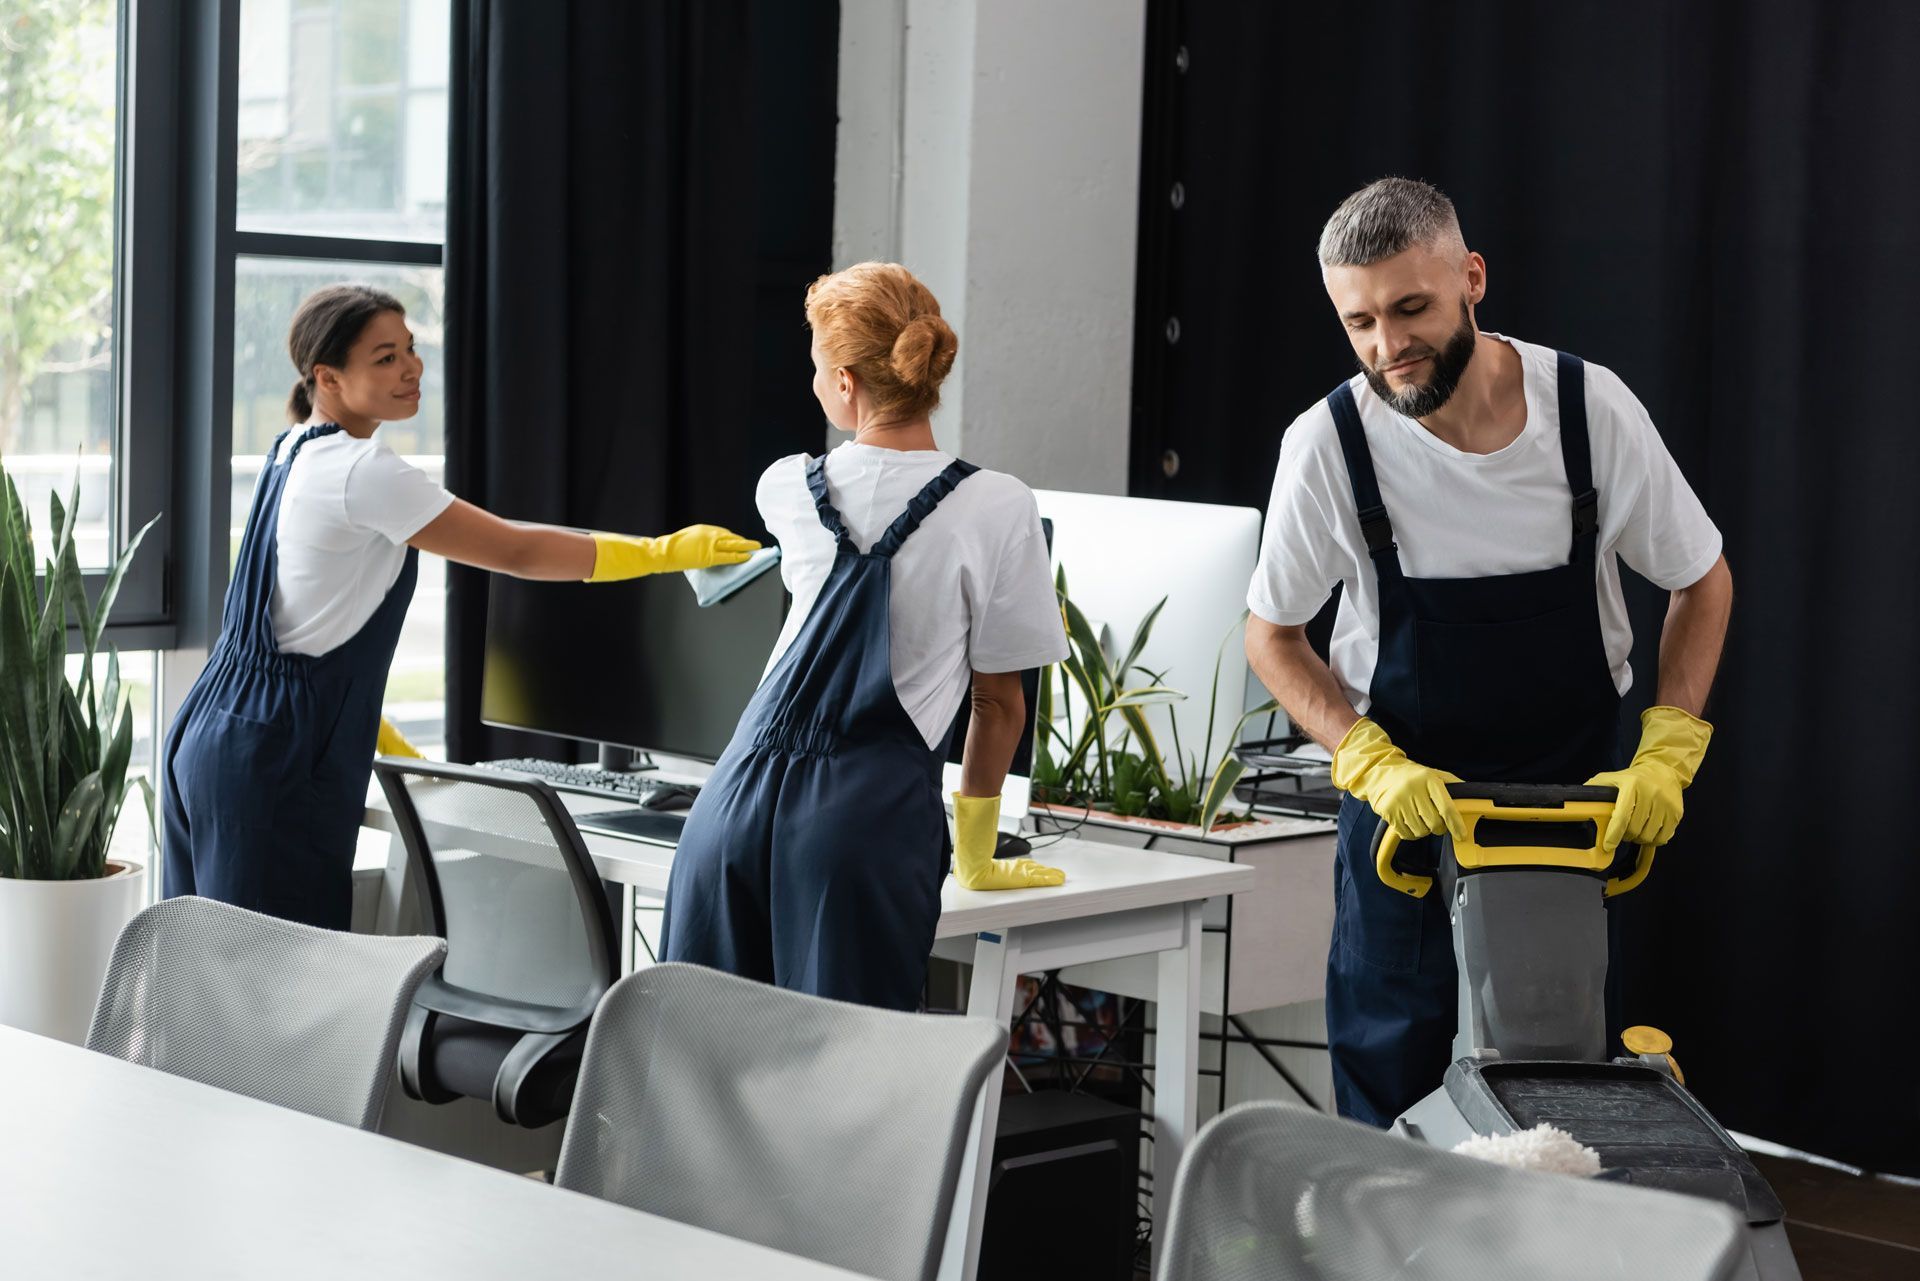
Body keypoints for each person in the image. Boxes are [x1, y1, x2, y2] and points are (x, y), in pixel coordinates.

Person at [1243, 179, 1734, 1125]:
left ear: (1471, 278)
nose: (1389, 347)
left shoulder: (1589, 414)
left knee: (1563, 1112)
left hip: (1572, 824)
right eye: (1361, 322)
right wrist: (1362, 755)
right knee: (1392, 1120)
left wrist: (1669, 745)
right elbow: (1273, 634)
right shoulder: (1330, 446)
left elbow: (1702, 577)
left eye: (1411, 307)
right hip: (1406, 831)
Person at [162, 284, 758, 929]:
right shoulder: (363, 471)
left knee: (208, 974)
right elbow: (518, 551)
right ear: (327, 378)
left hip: (212, 732)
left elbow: (298, 628)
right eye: (384, 357)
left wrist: (372, 729)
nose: (412, 368)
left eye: (410, 349)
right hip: (271, 759)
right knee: (273, 982)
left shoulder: (292, 450)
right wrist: (662, 552)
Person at [659, 261, 1071, 1011]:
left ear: (846, 383)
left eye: (818, 368)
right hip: (862, 820)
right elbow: (1000, 703)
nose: (815, 382)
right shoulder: (998, 504)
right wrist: (975, 851)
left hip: (733, 804)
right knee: (839, 1080)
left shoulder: (785, 485)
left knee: (704, 1063)